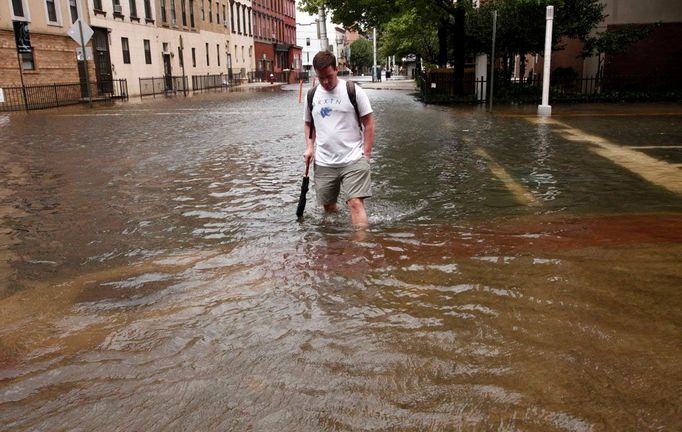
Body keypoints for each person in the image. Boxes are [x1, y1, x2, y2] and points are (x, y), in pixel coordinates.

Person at [304, 51, 375, 228]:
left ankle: (361, 249)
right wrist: (310, 147)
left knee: (355, 203)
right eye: (321, 78)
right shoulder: (312, 95)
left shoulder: (353, 91)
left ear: (337, 69)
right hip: (324, 161)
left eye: (329, 76)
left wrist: (366, 155)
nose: (326, 82)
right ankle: (336, 246)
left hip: (353, 158)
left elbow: (369, 124)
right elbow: (308, 124)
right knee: (328, 208)